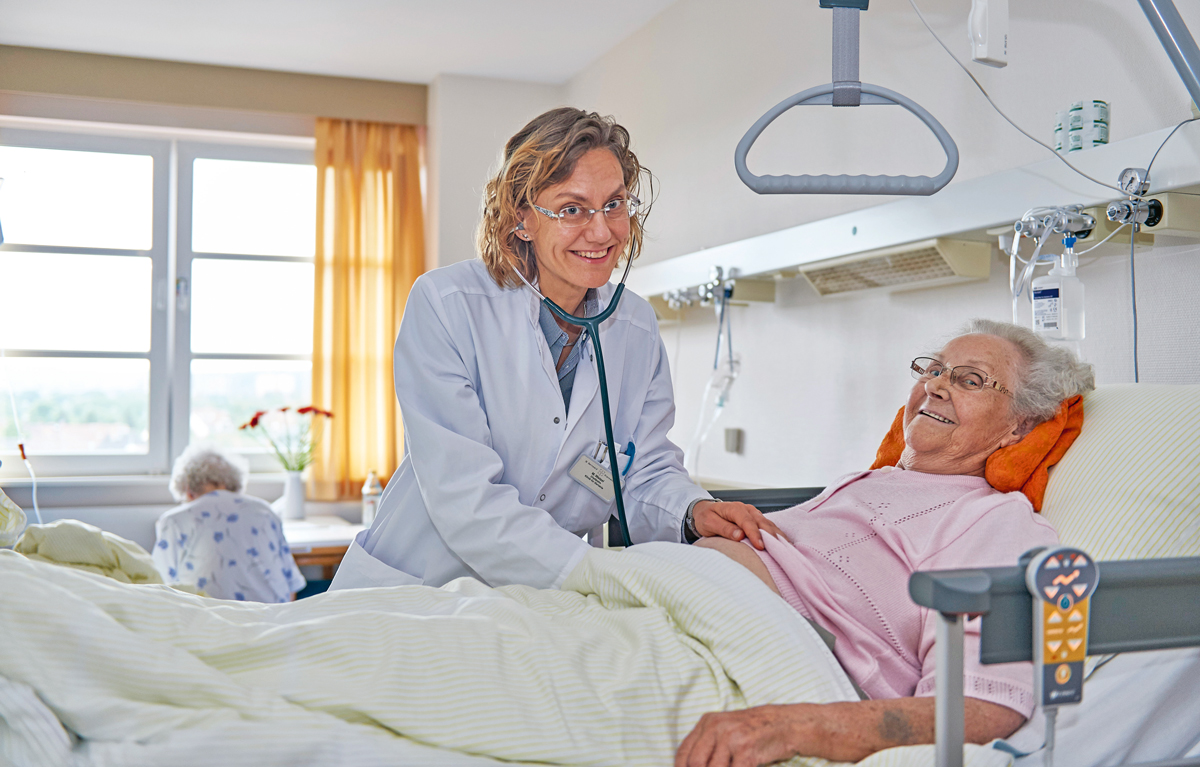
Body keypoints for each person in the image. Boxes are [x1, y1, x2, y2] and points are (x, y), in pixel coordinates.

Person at [331, 107, 779, 591]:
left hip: (544, 610)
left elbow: (643, 474)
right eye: (572, 209)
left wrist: (694, 512)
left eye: (614, 204)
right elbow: (465, 497)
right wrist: (595, 573)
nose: (603, 230)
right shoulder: (447, 305)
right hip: (416, 591)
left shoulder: (636, 327)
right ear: (521, 218)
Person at [676, 319, 1096, 766]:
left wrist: (799, 726)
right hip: (673, 597)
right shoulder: (870, 480)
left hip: (742, 650)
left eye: (968, 380)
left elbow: (980, 704)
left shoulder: (993, 519)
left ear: (1018, 428)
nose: (935, 386)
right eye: (934, 370)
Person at [155, 445, 306, 603]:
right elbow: (291, 586)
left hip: (210, 617)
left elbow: (159, 585)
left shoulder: (175, 520)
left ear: (188, 491)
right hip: (271, 617)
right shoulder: (265, 510)